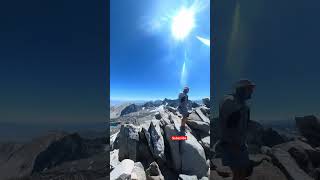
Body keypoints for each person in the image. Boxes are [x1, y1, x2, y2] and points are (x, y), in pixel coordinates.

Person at [217, 79, 255, 180]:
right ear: (242, 90)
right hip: (233, 145)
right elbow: (231, 126)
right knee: (239, 172)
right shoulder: (232, 102)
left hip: (238, 144)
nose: (252, 92)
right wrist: (236, 144)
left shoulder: (240, 104)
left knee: (240, 172)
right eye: (250, 89)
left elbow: (241, 125)